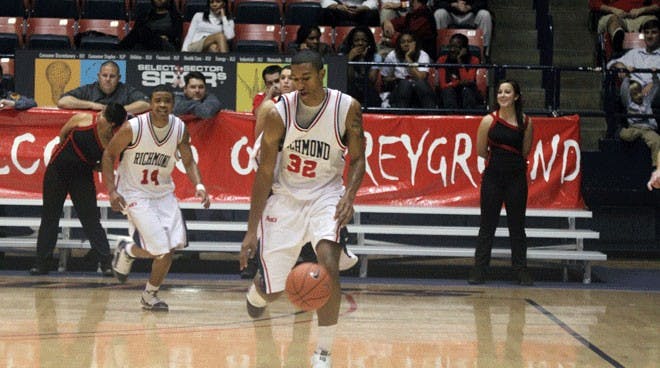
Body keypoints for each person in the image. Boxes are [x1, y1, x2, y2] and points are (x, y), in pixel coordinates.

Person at [240, 50, 365, 367]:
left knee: (328, 267)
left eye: (305, 78)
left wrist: (349, 195)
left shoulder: (346, 107)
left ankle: (323, 352)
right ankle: (258, 293)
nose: (298, 84)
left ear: (321, 74)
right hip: (285, 199)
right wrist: (251, 231)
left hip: (326, 195)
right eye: (293, 78)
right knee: (271, 292)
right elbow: (265, 172)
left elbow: (359, 158)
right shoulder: (278, 113)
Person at [102, 85, 210, 311]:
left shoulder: (179, 128)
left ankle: (132, 258)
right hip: (134, 193)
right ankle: (148, 294)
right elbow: (109, 154)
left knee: (168, 251)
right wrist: (112, 190)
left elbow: (188, 161)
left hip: (163, 194)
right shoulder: (134, 127)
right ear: (150, 103)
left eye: (167, 101)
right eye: (158, 100)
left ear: (173, 104)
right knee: (161, 250)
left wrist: (198, 185)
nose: (162, 105)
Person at [29, 103, 128, 276]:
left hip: (81, 177)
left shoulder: (113, 140)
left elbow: (107, 162)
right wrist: (69, 156)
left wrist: (94, 164)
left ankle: (106, 263)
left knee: (91, 220)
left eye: (103, 114)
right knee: (50, 218)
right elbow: (63, 135)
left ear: (112, 123)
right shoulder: (84, 119)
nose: (99, 114)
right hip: (57, 171)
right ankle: (42, 264)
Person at [468, 79, 534, 286]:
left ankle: (521, 270)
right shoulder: (489, 120)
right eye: (500, 92)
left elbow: (525, 151)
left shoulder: (526, 122)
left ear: (516, 96)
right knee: (487, 225)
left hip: (516, 178)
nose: (503, 95)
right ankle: (479, 270)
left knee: (517, 226)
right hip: (493, 178)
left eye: (507, 92)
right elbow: (480, 150)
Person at [605, 18, 660, 137]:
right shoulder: (634, 53)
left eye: (654, 32)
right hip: (633, 92)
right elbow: (610, 64)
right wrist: (618, 65)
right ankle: (616, 132)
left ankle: (643, 128)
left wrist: (655, 83)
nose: (649, 36)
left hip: (654, 93)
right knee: (625, 81)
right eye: (647, 33)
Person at [57, 61, 150, 115]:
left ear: (119, 78)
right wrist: (91, 105)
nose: (108, 79)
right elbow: (63, 101)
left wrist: (115, 112)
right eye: (104, 75)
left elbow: (146, 104)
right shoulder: (89, 89)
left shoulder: (126, 90)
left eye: (112, 76)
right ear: (98, 76)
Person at [380, 32, 437, 108]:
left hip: (418, 92)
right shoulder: (392, 55)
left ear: (414, 43)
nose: (406, 44)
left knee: (420, 83)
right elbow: (385, 78)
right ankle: (401, 116)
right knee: (405, 84)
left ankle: (431, 116)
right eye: (403, 42)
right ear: (399, 45)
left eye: (409, 41)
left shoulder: (422, 55)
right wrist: (395, 79)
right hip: (400, 91)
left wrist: (408, 58)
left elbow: (421, 78)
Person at [589, 0, 659, 54]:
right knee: (614, 22)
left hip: (642, 15)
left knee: (652, 23)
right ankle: (617, 49)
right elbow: (594, 3)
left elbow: (657, 4)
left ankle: (653, 57)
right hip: (615, 15)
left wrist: (642, 10)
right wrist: (613, 10)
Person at [619, 78, 660, 166]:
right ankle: (621, 130)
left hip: (647, 128)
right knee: (625, 135)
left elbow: (655, 89)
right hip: (634, 127)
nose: (638, 95)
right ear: (631, 95)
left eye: (639, 92)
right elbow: (624, 91)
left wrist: (655, 76)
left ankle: (657, 166)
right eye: (635, 94)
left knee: (657, 140)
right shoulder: (629, 103)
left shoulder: (647, 100)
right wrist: (626, 78)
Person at [339, 26, 382, 107]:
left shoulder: (376, 57)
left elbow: (371, 80)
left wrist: (363, 60)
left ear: (369, 42)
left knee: (369, 90)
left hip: (367, 92)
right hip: (347, 91)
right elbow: (348, 79)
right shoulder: (341, 56)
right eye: (356, 40)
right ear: (351, 42)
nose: (360, 43)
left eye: (364, 40)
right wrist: (349, 59)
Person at [437, 32, 481, 109]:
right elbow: (443, 85)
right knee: (448, 91)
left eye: (456, 47)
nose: (452, 50)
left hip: (467, 94)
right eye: (450, 46)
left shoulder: (473, 60)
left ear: (464, 49)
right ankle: (451, 119)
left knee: (467, 90)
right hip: (449, 95)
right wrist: (458, 83)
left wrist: (460, 61)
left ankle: (468, 118)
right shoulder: (442, 60)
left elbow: (468, 80)